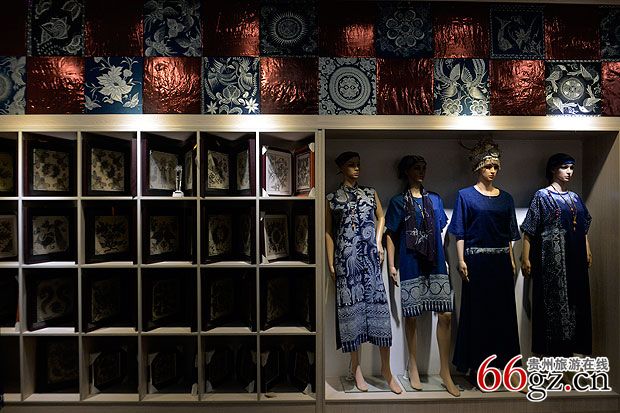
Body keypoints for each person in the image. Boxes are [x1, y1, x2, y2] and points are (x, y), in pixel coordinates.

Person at [325, 151, 401, 394]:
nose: (356, 168)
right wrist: (330, 262)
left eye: (358, 164)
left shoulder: (370, 193)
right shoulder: (331, 198)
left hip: (370, 260)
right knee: (352, 317)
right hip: (346, 263)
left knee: (380, 313)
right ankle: (356, 368)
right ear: (341, 168)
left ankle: (386, 370)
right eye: (351, 165)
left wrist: (378, 242)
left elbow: (381, 217)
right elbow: (328, 232)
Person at [385, 155, 460, 397]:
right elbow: (390, 234)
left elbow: (440, 230)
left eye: (424, 167)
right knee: (412, 315)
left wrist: (447, 259)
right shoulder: (398, 202)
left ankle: (444, 371)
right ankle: (413, 364)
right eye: (416, 168)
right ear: (406, 171)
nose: (421, 171)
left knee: (445, 314)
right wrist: (392, 265)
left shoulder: (435, 199)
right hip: (410, 261)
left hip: (435, 261)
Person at [447, 139, 522, 381]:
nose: (492, 171)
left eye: (496, 167)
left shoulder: (506, 198)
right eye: (488, 166)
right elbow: (460, 231)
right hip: (476, 263)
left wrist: (511, 259)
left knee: (504, 315)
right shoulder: (465, 196)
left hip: (500, 263)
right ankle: (478, 367)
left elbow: (509, 234)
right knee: (478, 315)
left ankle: (508, 368)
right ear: (479, 167)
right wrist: (461, 260)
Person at [521, 153, 593, 358]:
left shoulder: (575, 198)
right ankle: (552, 355)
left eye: (571, 167)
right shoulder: (542, 196)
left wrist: (587, 248)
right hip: (551, 260)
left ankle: (571, 353)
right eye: (564, 167)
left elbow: (583, 227)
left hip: (576, 257)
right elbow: (529, 229)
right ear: (553, 169)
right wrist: (525, 257)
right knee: (552, 304)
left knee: (577, 300)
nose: (569, 172)